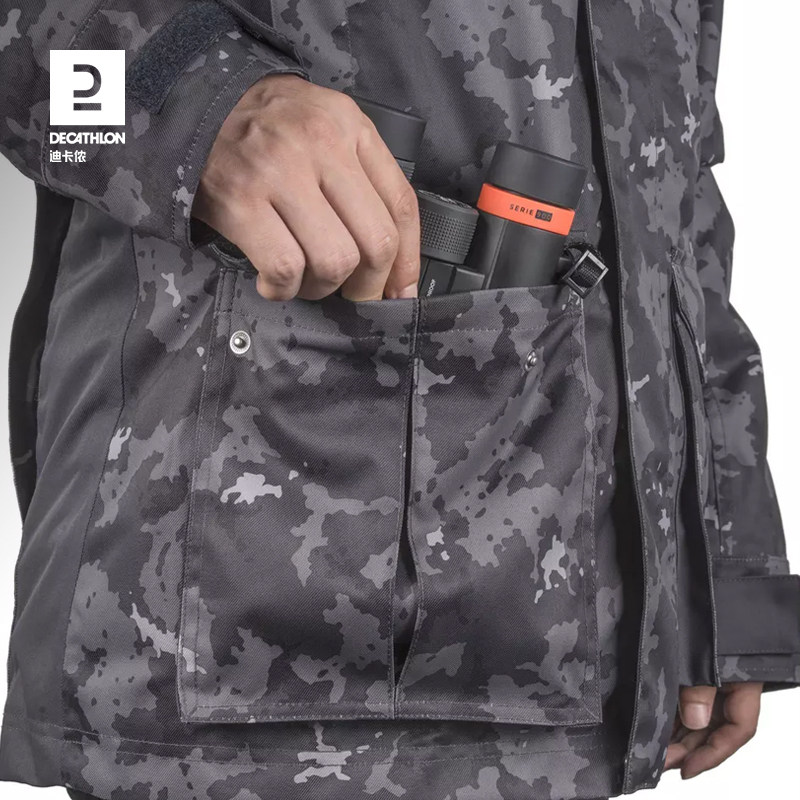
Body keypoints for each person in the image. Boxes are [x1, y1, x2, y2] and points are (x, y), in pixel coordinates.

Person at [0, 2, 798, 799]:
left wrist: (723, 569)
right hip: (240, 651)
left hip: (593, 657)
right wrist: (203, 107)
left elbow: (673, 177)